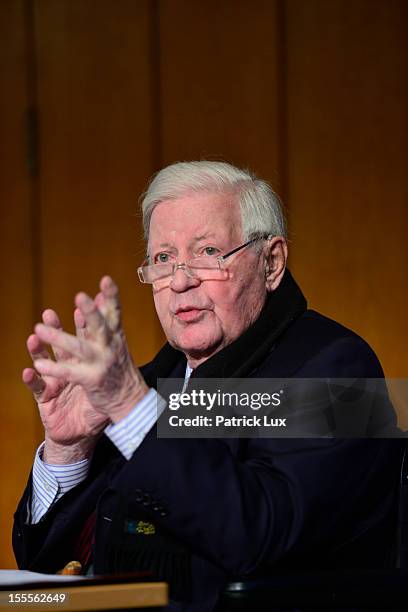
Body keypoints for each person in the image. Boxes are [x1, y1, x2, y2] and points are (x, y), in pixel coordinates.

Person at [13, 161, 403, 611]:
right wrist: (69, 451)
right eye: (163, 258)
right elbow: (46, 568)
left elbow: (255, 539)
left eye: (208, 253)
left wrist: (131, 409)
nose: (180, 281)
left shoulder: (342, 370)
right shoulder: (150, 382)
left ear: (271, 262)